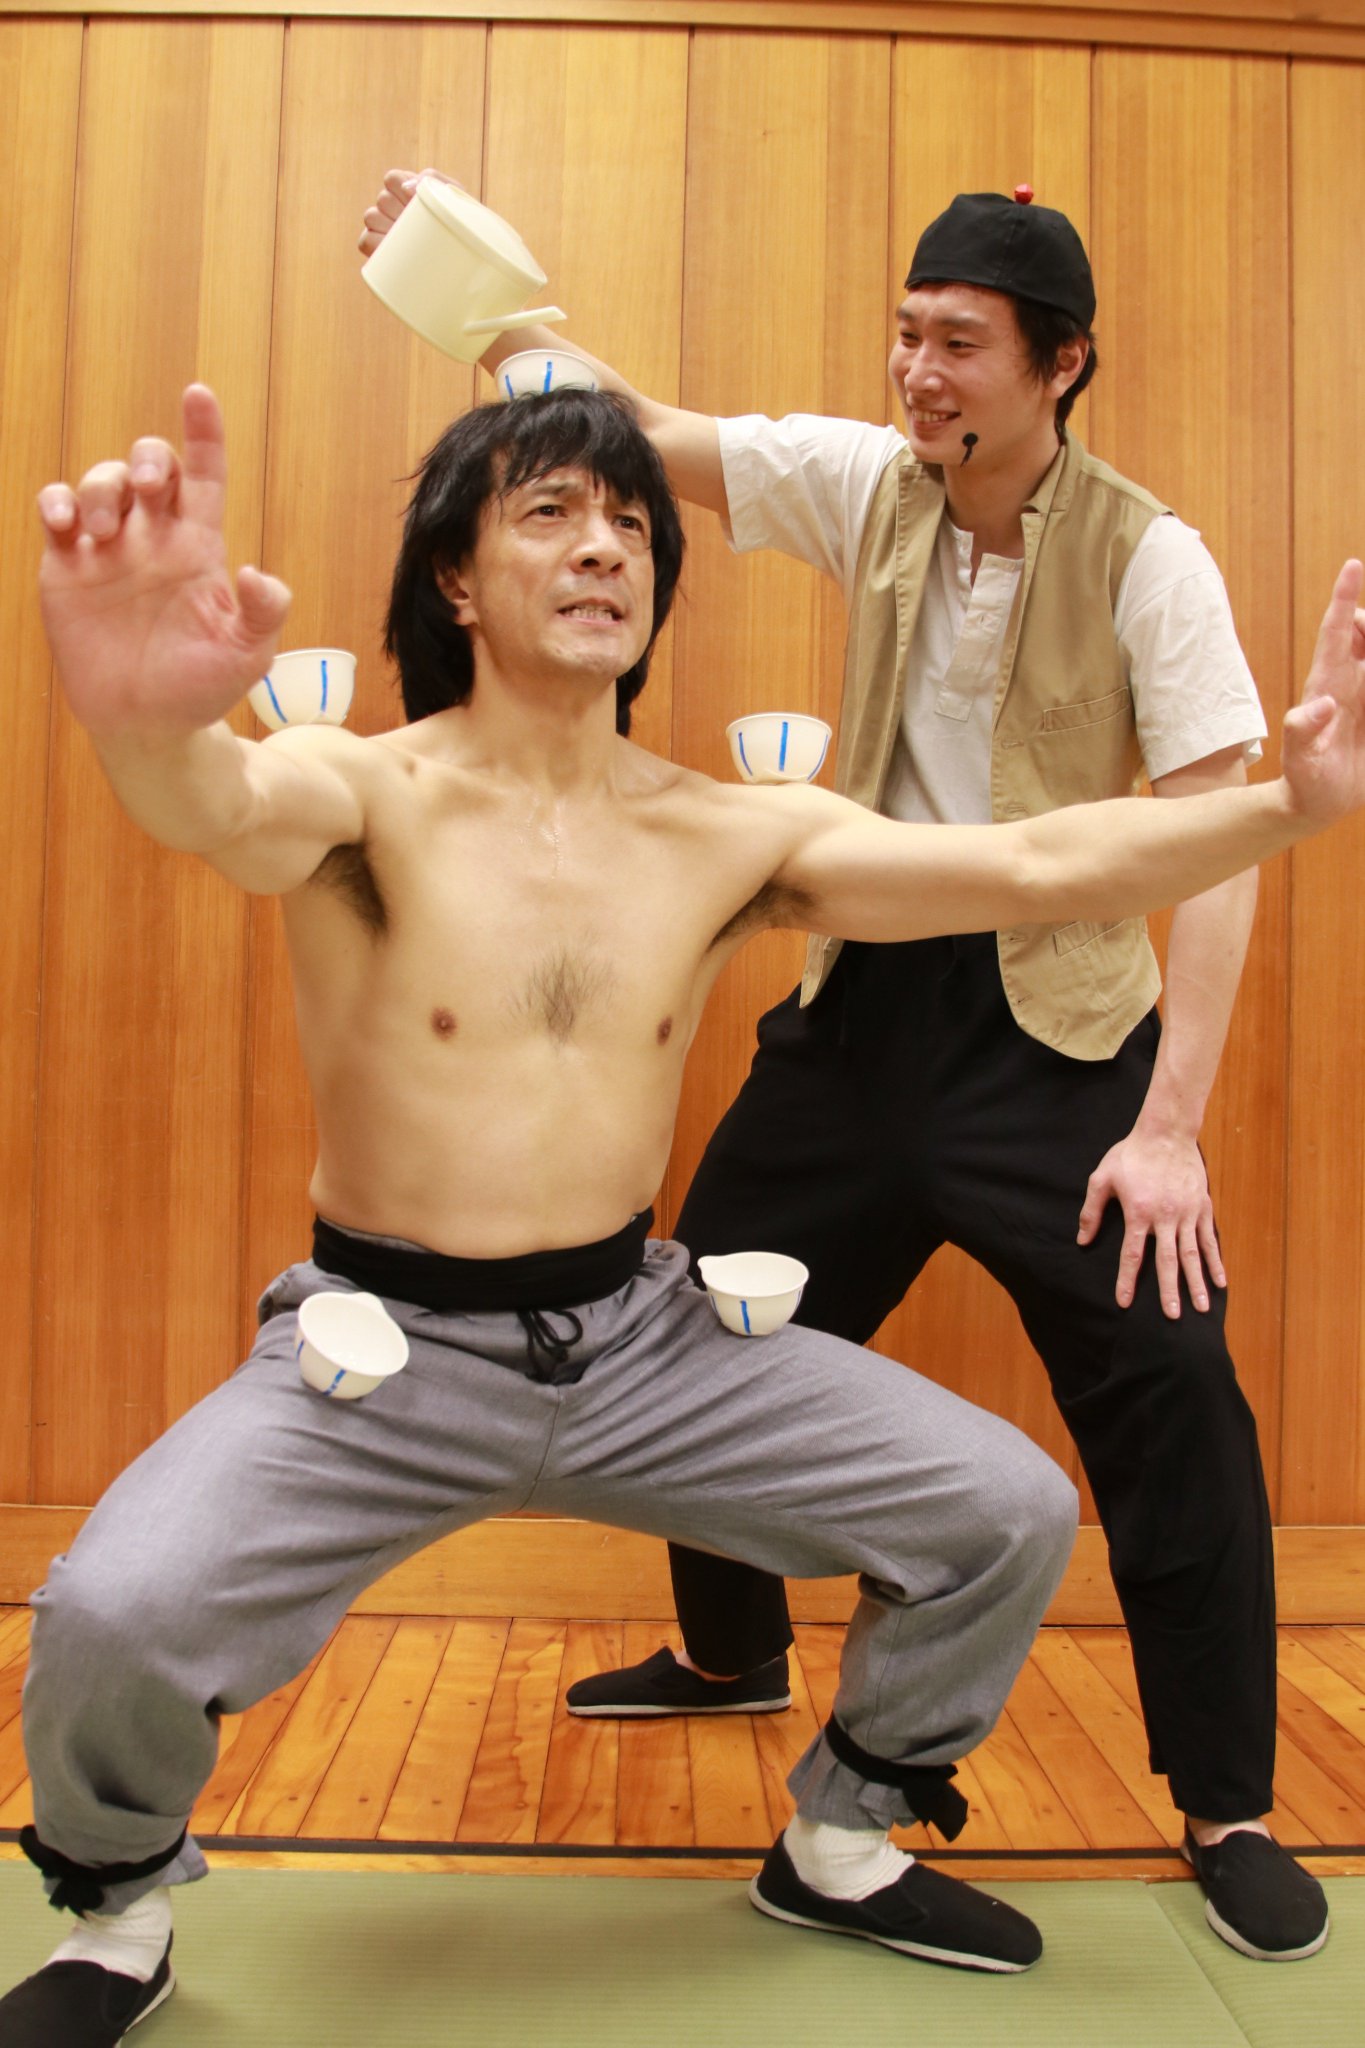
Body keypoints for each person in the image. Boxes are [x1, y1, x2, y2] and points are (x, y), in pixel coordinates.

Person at [6, 384, 1362, 2047]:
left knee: (1005, 1512)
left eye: (633, 523)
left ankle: (840, 1840)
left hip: (637, 1340)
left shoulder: (721, 831)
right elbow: (211, 800)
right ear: (455, 579)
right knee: (110, 1614)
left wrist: (1284, 808)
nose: (605, 548)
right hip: (381, 1354)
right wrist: (139, 722)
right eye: (551, 513)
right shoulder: (359, 792)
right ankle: (118, 1912)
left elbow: (1034, 869)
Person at [361, 175, 1327, 1961]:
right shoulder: (860, 481)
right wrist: (473, 295)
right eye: (905, 332)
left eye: (958, 343)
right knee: (706, 1304)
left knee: (1172, 1381)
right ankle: (729, 1651)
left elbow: (1217, 842)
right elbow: (632, 428)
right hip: (861, 1006)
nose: (917, 370)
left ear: (1060, 365)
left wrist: (1170, 1128)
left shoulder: (1152, 557)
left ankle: (1226, 1803)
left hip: (1060, 1034)